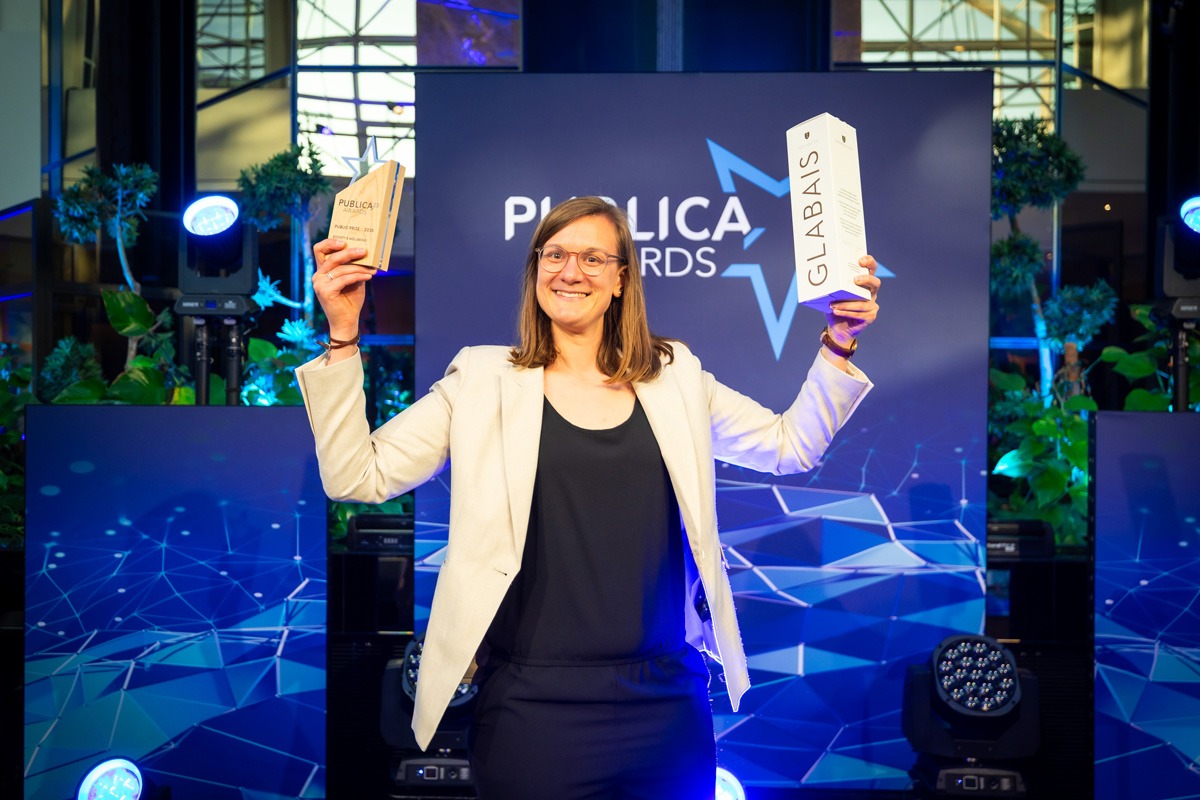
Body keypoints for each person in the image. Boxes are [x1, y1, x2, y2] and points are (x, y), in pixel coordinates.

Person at [296, 196, 879, 799]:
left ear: (622, 278)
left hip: (665, 702)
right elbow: (356, 476)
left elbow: (789, 446)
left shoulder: (675, 375)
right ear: (536, 271)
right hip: (530, 709)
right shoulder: (481, 380)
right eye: (554, 255)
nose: (570, 271)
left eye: (593, 258)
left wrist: (838, 344)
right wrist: (343, 336)